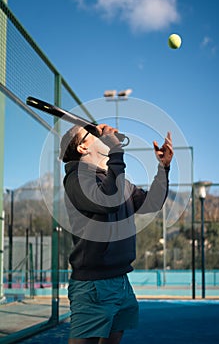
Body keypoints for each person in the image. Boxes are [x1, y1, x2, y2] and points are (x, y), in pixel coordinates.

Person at [59, 123, 173, 344]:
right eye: (92, 132)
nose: (101, 131)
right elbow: (107, 201)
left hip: (120, 280)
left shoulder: (117, 182)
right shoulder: (76, 178)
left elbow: (153, 202)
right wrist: (116, 151)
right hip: (93, 284)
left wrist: (163, 168)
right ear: (82, 148)